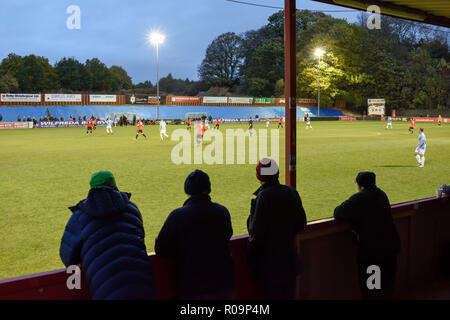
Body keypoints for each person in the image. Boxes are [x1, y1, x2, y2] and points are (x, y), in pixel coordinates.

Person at [59, 171, 155, 300]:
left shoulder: (79, 216)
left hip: (106, 288)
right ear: (114, 185)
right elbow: (139, 237)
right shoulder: (132, 208)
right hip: (143, 285)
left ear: (92, 188)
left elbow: (67, 255)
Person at [155, 170, 234, 299]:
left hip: (194, 286)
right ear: (208, 189)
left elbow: (161, 249)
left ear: (187, 191)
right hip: (224, 283)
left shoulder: (177, 216)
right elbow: (227, 235)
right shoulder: (222, 212)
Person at [334, 172, 401, 300]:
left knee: (372, 290)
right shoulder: (382, 194)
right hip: (391, 248)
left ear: (359, 185)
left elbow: (338, 212)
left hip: (374, 253)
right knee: (386, 287)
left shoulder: (360, 198)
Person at [247, 158, 307, 300]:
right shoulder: (291, 191)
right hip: (289, 261)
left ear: (259, 176)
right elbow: (301, 223)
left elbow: (255, 232)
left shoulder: (264, 196)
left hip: (269, 266)